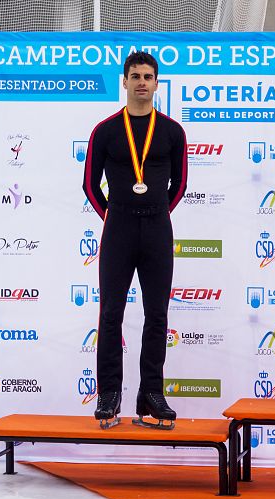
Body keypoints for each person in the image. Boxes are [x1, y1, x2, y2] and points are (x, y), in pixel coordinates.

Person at [83, 51, 187, 430]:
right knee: (111, 315)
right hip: (119, 230)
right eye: (135, 76)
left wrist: (158, 211)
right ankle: (109, 395)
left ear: (157, 84)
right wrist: (113, 215)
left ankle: (152, 396)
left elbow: (181, 185)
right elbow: (90, 186)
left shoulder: (173, 131)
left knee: (157, 315)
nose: (142, 82)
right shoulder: (106, 130)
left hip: (157, 229)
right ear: (124, 82)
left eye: (148, 76)